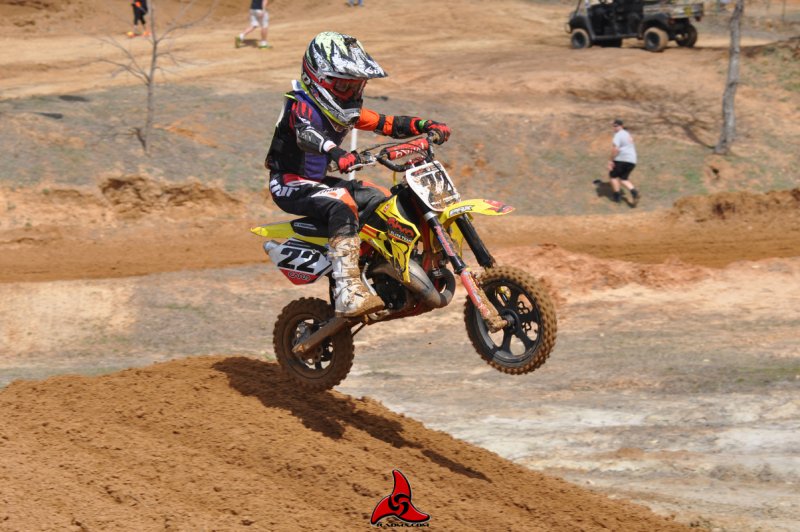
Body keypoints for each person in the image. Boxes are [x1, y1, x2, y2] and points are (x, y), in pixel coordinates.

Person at [265, 31, 450, 318]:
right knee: (342, 202)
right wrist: (336, 153)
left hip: (317, 181)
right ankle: (347, 291)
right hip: (288, 183)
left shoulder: (344, 111)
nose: (352, 93)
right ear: (320, 78)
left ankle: (383, 269)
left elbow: (387, 123)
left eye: (356, 86)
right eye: (344, 85)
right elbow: (306, 135)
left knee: (380, 198)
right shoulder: (302, 105)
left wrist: (426, 124)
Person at [608, 118, 640, 206]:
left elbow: (615, 149)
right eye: (613, 126)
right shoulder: (627, 134)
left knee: (613, 176)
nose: (614, 128)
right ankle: (635, 193)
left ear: (621, 126)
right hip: (632, 160)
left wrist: (610, 161)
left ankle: (617, 197)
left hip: (622, 159)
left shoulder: (618, 135)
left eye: (616, 126)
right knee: (623, 179)